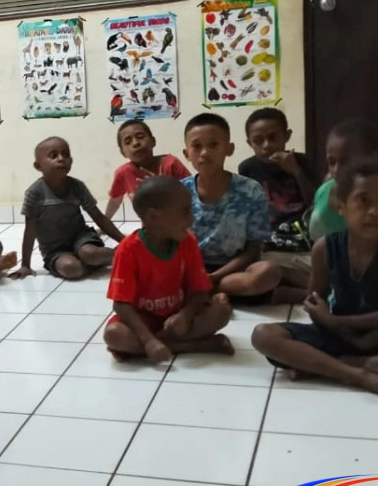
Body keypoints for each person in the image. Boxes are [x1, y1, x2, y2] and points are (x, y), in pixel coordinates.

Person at [251, 160, 378, 401]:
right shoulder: (325, 248)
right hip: (342, 335)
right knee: (263, 335)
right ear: (340, 205)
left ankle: (328, 366)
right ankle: (360, 376)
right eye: (363, 200)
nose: (374, 211)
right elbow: (315, 305)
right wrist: (349, 335)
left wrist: (334, 321)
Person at [103, 176, 234, 361]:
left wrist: (186, 314)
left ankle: (144, 349)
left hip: (177, 319)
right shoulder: (128, 250)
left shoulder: (188, 241)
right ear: (153, 217)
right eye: (185, 212)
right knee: (114, 334)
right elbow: (120, 304)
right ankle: (195, 345)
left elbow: (201, 290)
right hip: (143, 321)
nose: (192, 218)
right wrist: (147, 339)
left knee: (222, 310)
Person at [181, 114, 282, 299]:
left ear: (229, 148)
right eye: (196, 146)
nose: (204, 153)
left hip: (232, 269)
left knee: (268, 272)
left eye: (213, 145)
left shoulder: (251, 190)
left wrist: (214, 277)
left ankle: (207, 290)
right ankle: (212, 291)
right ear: (187, 154)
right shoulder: (179, 192)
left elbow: (253, 251)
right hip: (189, 269)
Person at [15, 136, 124, 280]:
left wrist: (124, 242)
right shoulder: (34, 193)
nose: (61, 159)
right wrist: (25, 264)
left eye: (66, 154)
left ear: (71, 161)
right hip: (55, 249)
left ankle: (122, 255)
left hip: (82, 239)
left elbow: (99, 218)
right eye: (53, 156)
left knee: (90, 253)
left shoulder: (77, 186)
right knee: (70, 268)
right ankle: (93, 263)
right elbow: (30, 230)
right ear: (38, 166)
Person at [239, 107, 317, 301]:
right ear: (249, 143)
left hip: (304, 242)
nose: (267, 145)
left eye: (273, 137)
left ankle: (295, 289)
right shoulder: (247, 168)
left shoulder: (302, 162)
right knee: (258, 269)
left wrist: (296, 171)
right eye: (258, 141)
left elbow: (317, 205)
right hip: (271, 245)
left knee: (337, 267)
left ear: (287, 136)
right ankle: (308, 290)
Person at [103, 119, 190, 222]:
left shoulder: (171, 164)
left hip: (180, 224)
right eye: (128, 142)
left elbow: (193, 194)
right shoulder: (123, 173)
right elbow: (115, 201)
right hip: (151, 228)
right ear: (123, 153)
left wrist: (162, 189)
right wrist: (105, 224)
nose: (135, 143)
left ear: (153, 141)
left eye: (140, 137)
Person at [310, 121, 378, 242]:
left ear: (369, 159)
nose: (336, 170)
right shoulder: (325, 189)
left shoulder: (374, 202)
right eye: (332, 162)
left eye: (346, 162)